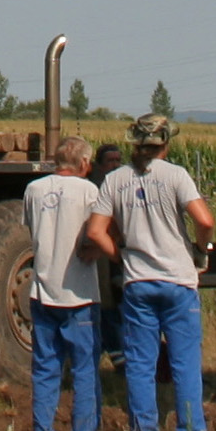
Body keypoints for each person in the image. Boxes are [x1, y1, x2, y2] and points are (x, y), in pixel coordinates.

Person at [86, 113, 215, 431]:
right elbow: (205, 220)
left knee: (140, 365)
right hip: (178, 281)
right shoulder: (176, 176)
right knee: (184, 364)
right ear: (165, 144)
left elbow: (96, 232)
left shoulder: (115, 180)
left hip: (138, 282)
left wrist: (121, 257)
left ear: (133, 144)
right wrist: (199, 250)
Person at [24, 135, 108, 431]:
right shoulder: (90, 192)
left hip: (42, 290)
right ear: (85, 163)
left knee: (46, 367)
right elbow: (97, 234)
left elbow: (32, 231)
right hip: (80, 293)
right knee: (85, 368)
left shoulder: (34, 189)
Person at [88, 144, 125, 368]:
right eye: (110, 160)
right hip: (103, 255)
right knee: (106, 304)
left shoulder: (123, 185)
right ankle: (115, 353)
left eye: (118, 160)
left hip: (119, 252)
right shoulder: (94, 188)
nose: (115, 165)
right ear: (99, 165)